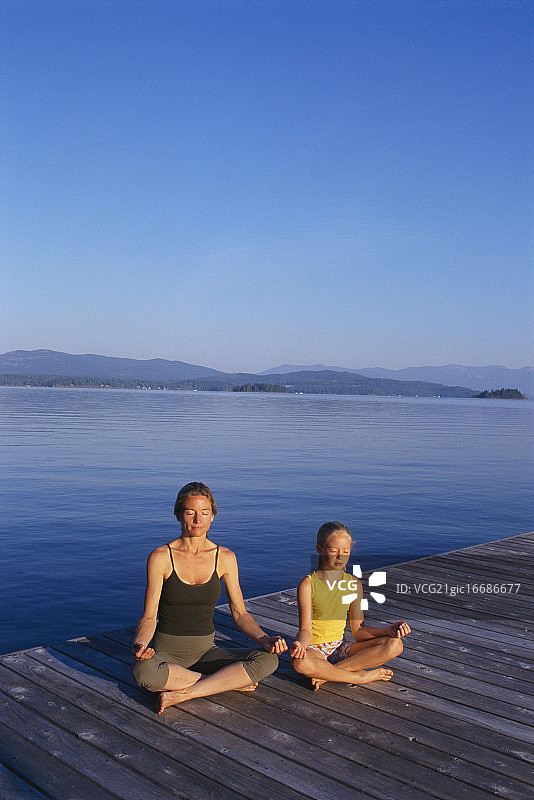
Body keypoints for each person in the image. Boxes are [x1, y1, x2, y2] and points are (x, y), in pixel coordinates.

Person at [132, 482, 287, 713]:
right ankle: (226, 682)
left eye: (204, 513)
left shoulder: (224, 557)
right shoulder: (161, 557)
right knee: (142, 671)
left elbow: (240, 614)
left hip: (207, 651)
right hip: (167, 652)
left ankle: (186, 692)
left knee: (269, 659)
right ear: (178, 514)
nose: (198, 520)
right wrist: (141, 645)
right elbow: (148, 616)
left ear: (213, 516)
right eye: (190, 512)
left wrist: (264, 639)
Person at [290, 521, 410, 690]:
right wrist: (300, 645)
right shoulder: (308, 584)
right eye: (333, 551)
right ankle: (360, 677)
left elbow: (359, 631)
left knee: (395, 644)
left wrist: (387, 630)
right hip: (315, 651)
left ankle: (328, 675)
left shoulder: (353, 584)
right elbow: (305, 631)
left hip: (340, 648)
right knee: (299, 663)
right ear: (319, 549)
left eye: (346, 551)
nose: (340, 557)